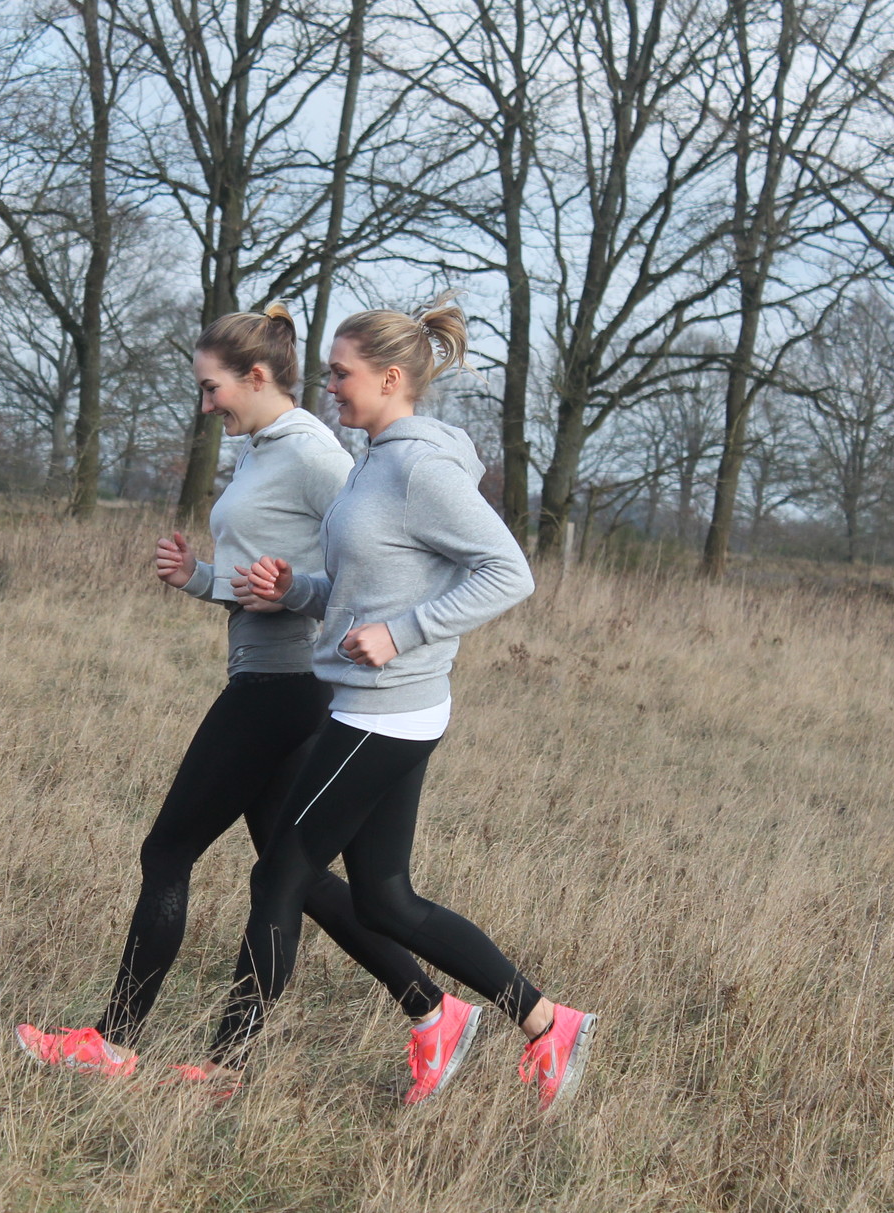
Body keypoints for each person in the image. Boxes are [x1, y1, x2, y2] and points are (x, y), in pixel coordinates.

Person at [16, 303, 484, 1105]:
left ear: (257, 377)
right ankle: (429, 1010)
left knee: (168, 852)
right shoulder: (263, 450)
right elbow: (272, 578)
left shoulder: (314, 455)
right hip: (269, 674)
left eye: (212, 388)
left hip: (287, 685)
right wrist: (200, 577)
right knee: (292, 876)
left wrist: (393, 630)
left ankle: (113, 1039)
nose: (206, 406)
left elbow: (380, 556)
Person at [181, 298, 597, 1115]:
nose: (327, 386)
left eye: (341, 373)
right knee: (384, 898)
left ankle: (227, 1065)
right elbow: (367, 583)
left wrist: (406, 633)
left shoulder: (420, 468)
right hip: (371, 704)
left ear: (391, 378)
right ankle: (546, 1021)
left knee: (281, 875)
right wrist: (296, 589)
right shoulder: (373, 458)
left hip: (386, 710)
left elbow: (508, 571)